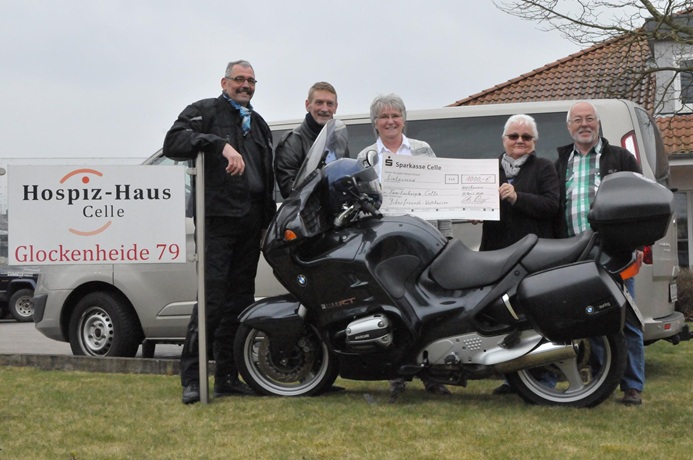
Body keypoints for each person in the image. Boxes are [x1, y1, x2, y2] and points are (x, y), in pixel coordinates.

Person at [163, 60, 276, 404]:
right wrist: (217, 144)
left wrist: (266, 222)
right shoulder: (204, 111)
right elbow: (173, 142)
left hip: (251, 223)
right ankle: (193, 379)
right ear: (224, 82)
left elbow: (266, 177)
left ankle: (228, 377)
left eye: (251, 81)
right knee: (211, 300)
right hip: (218, 221)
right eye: (239, 79)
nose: (245, 85)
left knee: (239, 304)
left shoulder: (258, 123)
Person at [357, 93, 452, 399]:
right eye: (384, 117)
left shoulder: (423, 150)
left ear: (404, 119)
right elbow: (361, 201)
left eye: (395, 116)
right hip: (387, 245)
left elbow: (440, 193)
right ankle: (397, 375)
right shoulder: (365, 157)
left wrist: (445, 237)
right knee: (395, 311)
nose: (390, 121)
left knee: (431, 309)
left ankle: (432, 375)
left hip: (425, 241)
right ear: (374, 123)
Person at [555, 100, 645, 406]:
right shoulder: (560, 162)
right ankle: (601, 379)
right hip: (575, 254)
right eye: (578, 120)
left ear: (598, 123)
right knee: (592, 319)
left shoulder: (620, 158)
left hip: (614, 252)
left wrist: (639, 245)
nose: (584, 124)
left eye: (589, 119)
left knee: (625, 319)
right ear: (569, 126)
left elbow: (639, 203)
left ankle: (632, 386)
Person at [477, 114, 560, 395]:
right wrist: (473, 212)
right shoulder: (488, 170)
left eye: (526, 137)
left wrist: (517, 197)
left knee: (536, 318)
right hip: (497, 257)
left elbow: (551, 205)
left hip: (532, 258)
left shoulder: (544, 167)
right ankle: (511, 378)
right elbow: (476, 203)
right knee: (505, 319)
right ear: (504, 140)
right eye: (514, 136)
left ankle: (544, 377)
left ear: (534, 142)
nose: (519, 141)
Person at [275, 82, 339, 198]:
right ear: (308, 105)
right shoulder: (292, 141)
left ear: (335, 107)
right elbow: (289, 189)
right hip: (305, 210)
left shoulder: (338, 141)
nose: (325, 109)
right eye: (319, 102)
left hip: (337, 209)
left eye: (330, 104)